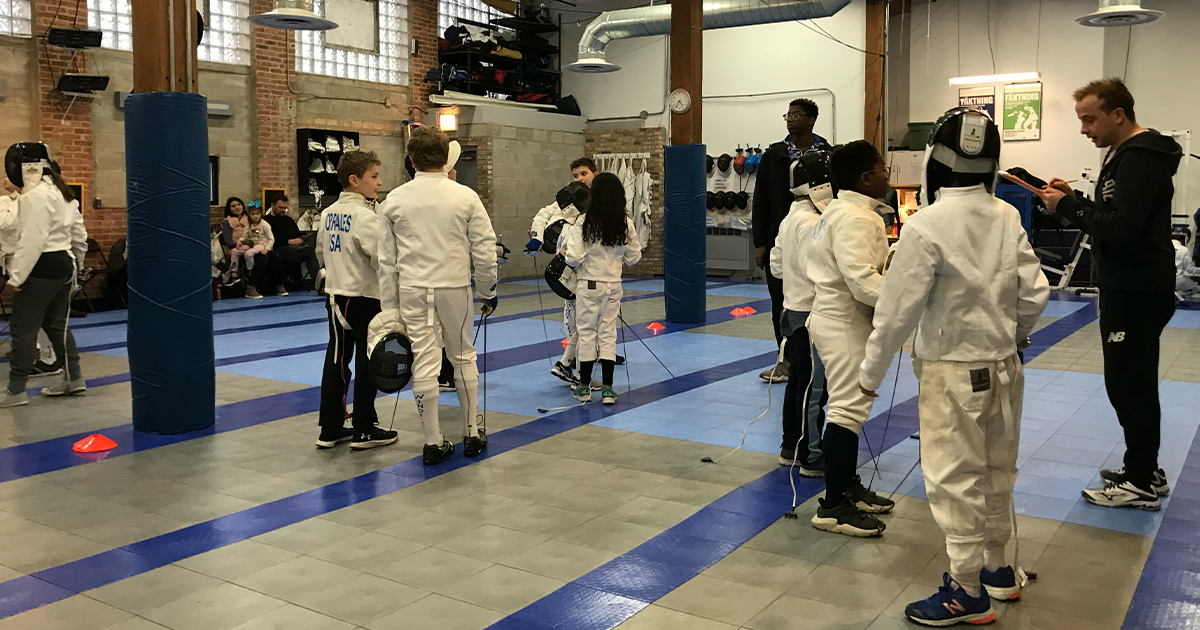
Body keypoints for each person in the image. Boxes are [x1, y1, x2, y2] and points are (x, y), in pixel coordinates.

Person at [860, 108, 1050, 626]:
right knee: (996, 471)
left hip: (951, 371)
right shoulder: (1006, 216)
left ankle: (966, 591)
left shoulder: (925, 225)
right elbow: (1035, 292)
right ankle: (997, 570)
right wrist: (1009, 337)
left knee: (953, 478)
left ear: (935, 162)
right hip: (1005, 367)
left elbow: (896, 312)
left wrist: (867, 378)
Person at [1035, 78, 1182, 510]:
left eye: (1090, 119)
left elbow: (1121, 229)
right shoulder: (1127, 155)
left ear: (1118, 115)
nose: (1085, 129)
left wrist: (1068, 209)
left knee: (1128, 383)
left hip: (1136, 288)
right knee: (1133, 380)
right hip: (1132, 285)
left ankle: (1138, 480)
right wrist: (1074, 198)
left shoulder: (1140, 158)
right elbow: (1118, 212)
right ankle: (1145, 469)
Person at [377, 127, 498, 466]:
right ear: (446, 159)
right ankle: (472, 433)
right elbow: (485, 250)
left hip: (412, 289)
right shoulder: (465, 196)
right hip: (454, 288)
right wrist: (488, 290)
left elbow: (386, 261)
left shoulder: (393, 200)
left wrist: (389, 310)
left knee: (425, 362)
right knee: (463, 357)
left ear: (411, 160)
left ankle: (433, 441)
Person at [806, 140, 895, 537]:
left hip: (843, 319)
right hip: (843, 321)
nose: (887, 177)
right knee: (846, 409)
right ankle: (832, 506)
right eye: (882, 170)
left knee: (852, 408)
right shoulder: (854, 217)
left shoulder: (846, 210)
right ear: (866, 177)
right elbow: (862, 281)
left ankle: (846, 487)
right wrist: (909, 300)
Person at [314, 150, 397, 450]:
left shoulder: (328, 213)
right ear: (354, 180)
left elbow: (321, 255)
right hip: (364, 299)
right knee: (367, 361)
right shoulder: (365, 217)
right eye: (373, 176)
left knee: (336, 360)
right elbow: (384, 261)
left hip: (335, 297)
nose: (379, 182)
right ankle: (364, 427)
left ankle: (331, 427)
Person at [1, 143, 87, 407]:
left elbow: (32, 242)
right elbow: (79, 236)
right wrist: (78, 267)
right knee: (56, 324)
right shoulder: (62, 193)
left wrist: (15, 279)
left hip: (41, 266)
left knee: (23, 329)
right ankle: (74, 378)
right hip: (63, 265)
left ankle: (16, 391)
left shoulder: (35, 196)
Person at [754, 98, 832, 384]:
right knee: (781, 304)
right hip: (781, 237)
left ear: (811, 120)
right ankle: (785, 361)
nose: (791, 119)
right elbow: (760, 200)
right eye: (789, 114)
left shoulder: (827, 154)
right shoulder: (774, 155)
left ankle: (818, 360)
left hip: (818, 234)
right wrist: (760, 242)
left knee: (818, 301)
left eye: (797, 115)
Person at [769, 151, 833, 475]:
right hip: (810, 313)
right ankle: (810, 454)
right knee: (812, 388)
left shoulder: (789, 217)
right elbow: (817, 271)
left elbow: (776, 266)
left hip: (792, 310)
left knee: (797, 382)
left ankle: (789, 446)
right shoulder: (811, 222)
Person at [563, 172, 641, 405]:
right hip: (613, 285)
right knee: (608, 333)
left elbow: (574, 258)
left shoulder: (583, 222)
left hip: (589, 285)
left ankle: (584, 388)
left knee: (587, 334)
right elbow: (634, 256)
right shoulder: (624, 222)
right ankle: (608, 389)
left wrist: (568, 255)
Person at [527, 181, 592, 385]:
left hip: (574, 272)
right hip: (572, 271)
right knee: (584, 326)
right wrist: (536, 238)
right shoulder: (564, 211)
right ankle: (579, 376)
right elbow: (541, 215)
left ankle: (567, 365)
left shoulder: (587, 215)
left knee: (580, 325)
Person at [263, 194, 320, 292]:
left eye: (285, 208)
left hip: (296, 247)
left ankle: (319, 284)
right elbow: (268, 239)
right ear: (272, 205)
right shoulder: (266, 221)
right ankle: (306, 249)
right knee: (307, 251)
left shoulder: (288, 220)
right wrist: (288, 241)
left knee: (312, 240)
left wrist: (300, 239)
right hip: (280, 248)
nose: (283, 210)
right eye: (280, 207)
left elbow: (296, 233)